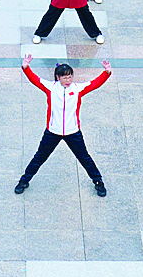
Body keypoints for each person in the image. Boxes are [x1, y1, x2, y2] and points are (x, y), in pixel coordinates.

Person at [14, 54, 111, 196]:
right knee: (39, 157)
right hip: (52, 131)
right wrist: (25, 67)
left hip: (73, 132)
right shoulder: (50, 88)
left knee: (85, 158)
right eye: (65, 77)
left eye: (70, 77)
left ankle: (98, 181)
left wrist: (106, 73)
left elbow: (95, 83)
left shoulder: (78, 89)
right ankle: (24, 180)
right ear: (58, 77)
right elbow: (34, 79)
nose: (68, 80)